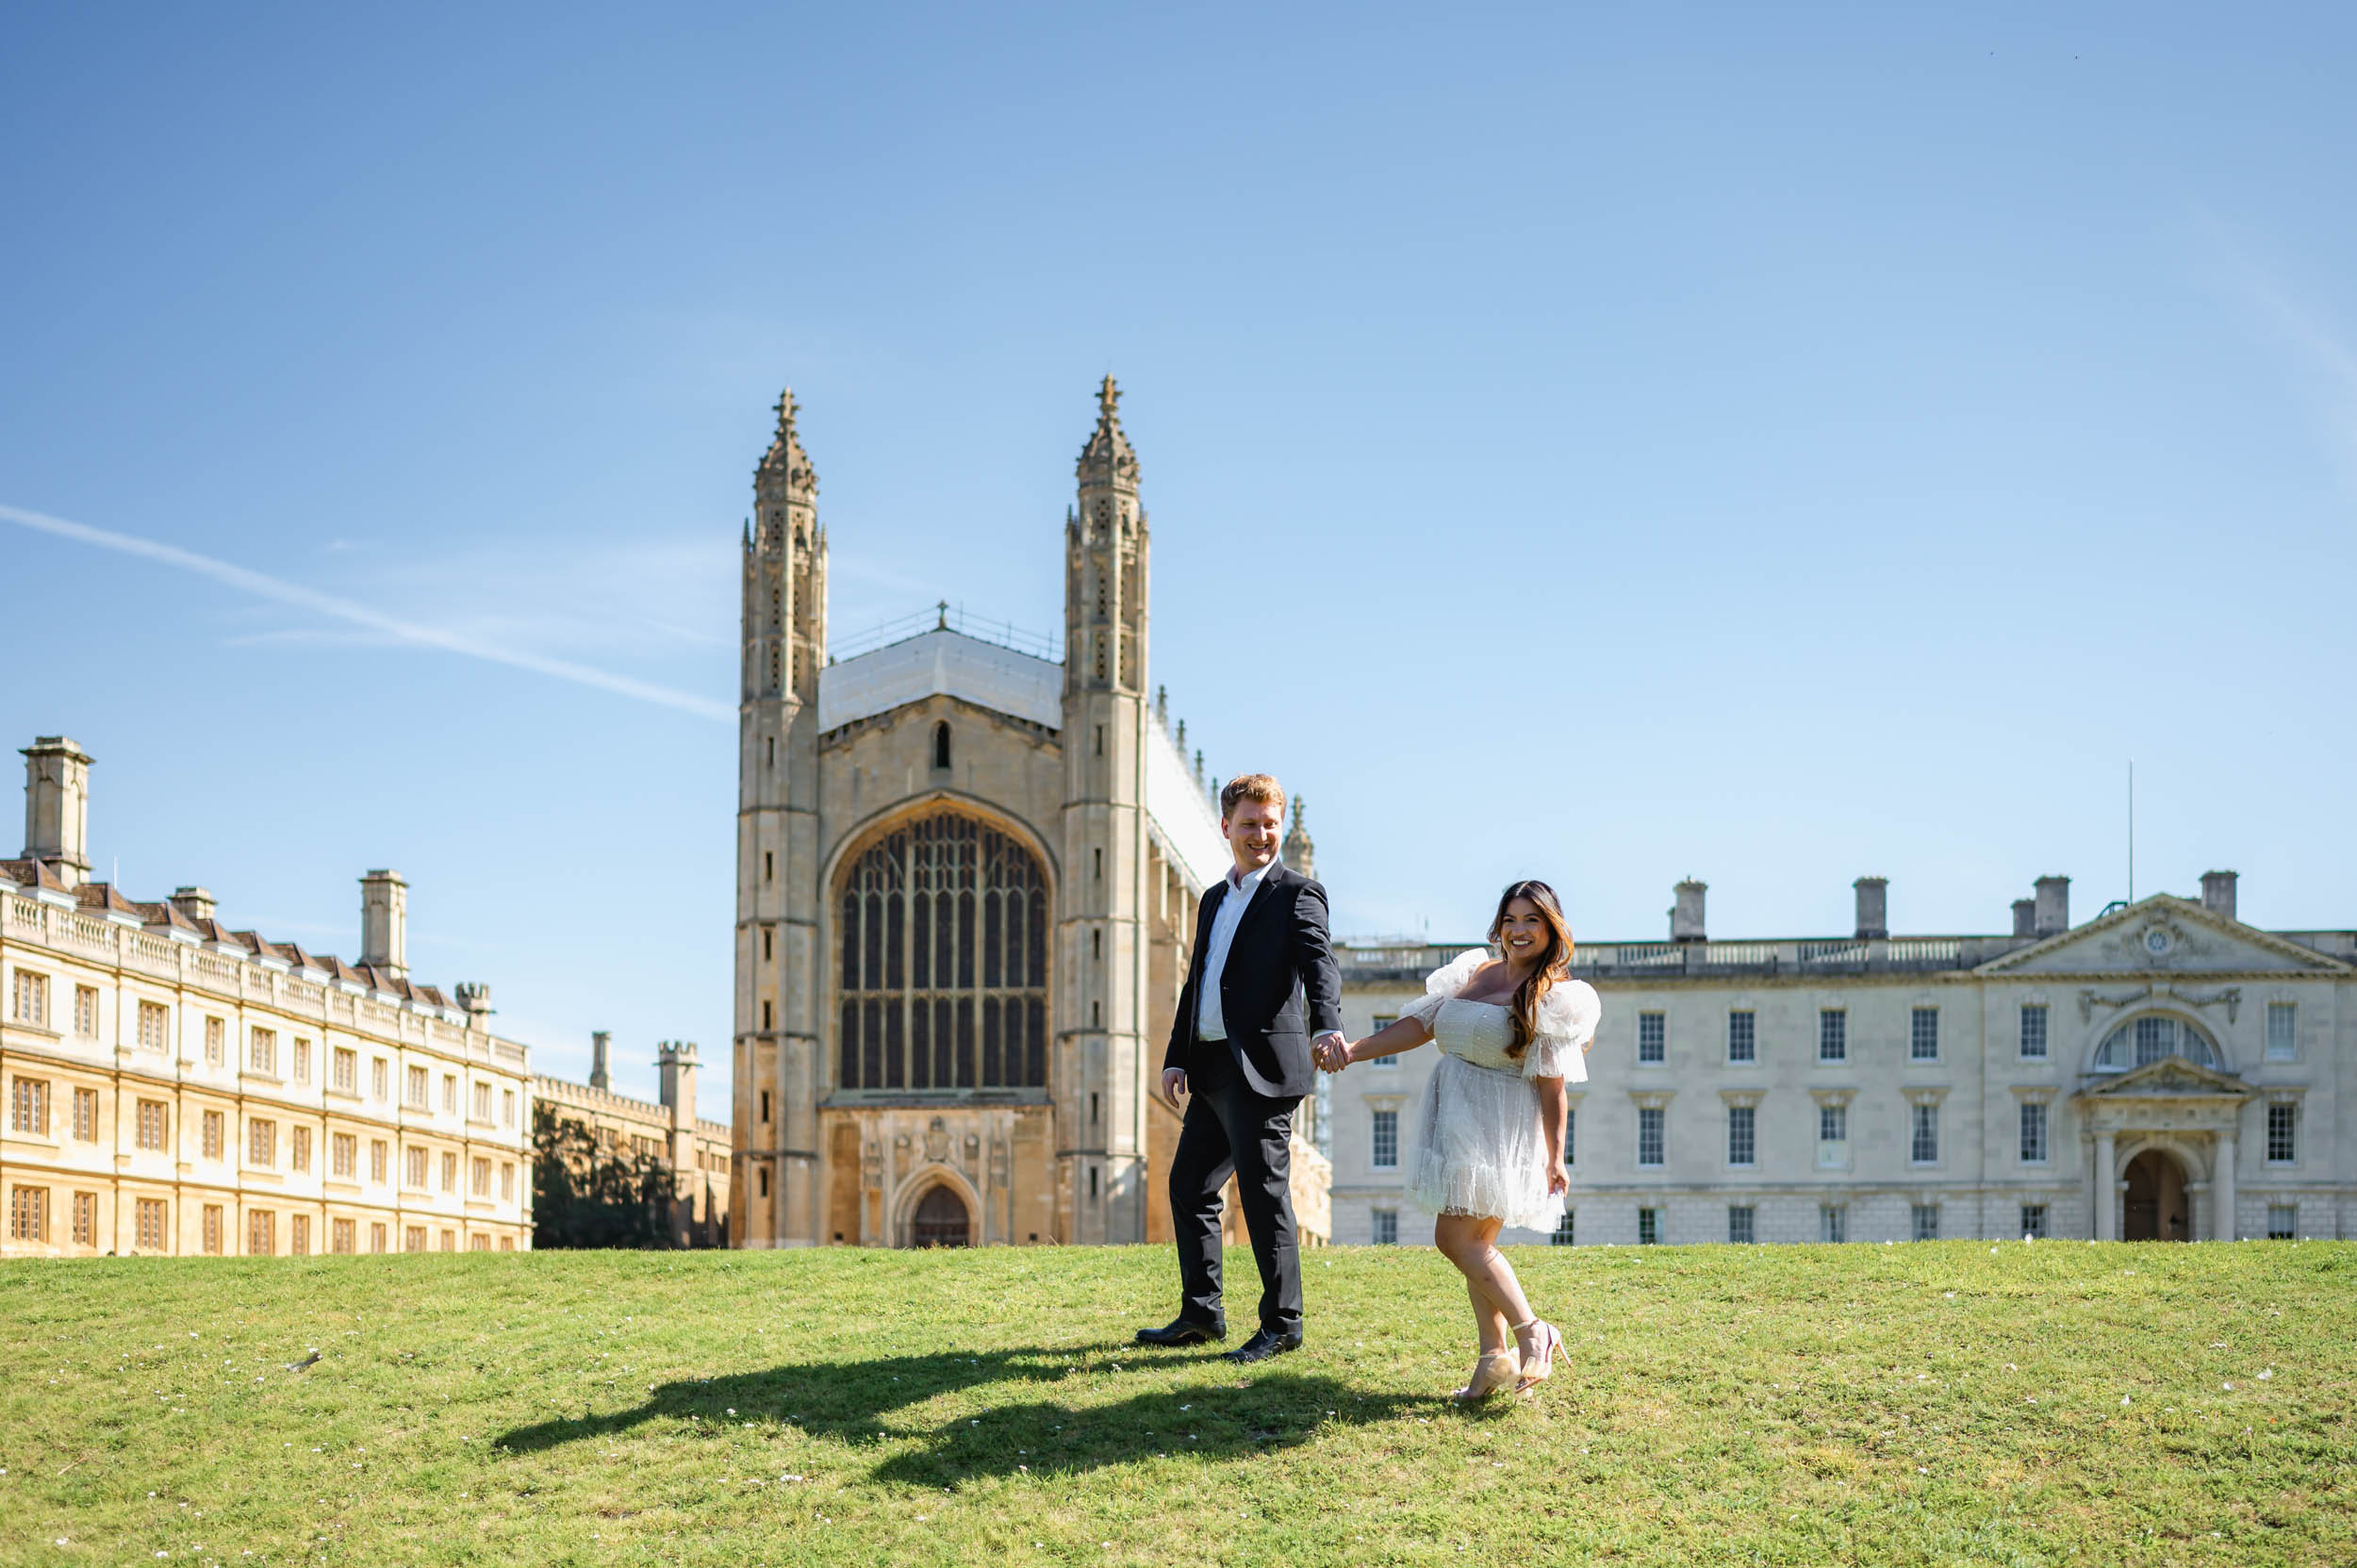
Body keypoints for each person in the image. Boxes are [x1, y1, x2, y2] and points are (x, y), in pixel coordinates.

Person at [1316, 880, 1597, 1399]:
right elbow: (1418, 1026)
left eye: (1531, 921)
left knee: (1454, 1240)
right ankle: (1493, 1359)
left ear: (1551, 929)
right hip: (1456, 1117)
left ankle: (1533, 1330)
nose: (1518, 930)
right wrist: (1353, 1051)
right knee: (1477, 1244)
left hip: (1502, 1126)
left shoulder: (1552, 997)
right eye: (1510, 919)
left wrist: (1556, 1156)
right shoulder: (1472, 972)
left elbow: (1553, 1087)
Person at [1136, 773, 1344, 1363]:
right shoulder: (1213, 899)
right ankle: (1202, 1313)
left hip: (1261, 1069)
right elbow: (1196, 982)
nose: (1262, 835)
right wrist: (1177, 1056)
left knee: (1262, 1197)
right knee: (1191, 1186)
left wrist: (1327, 1024)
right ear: (1226, 828)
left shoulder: (1297, 893)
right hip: (1211, 1068)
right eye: (1250, 824)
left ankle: (1283, 1324)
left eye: (1270, 824)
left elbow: (1318, 963)